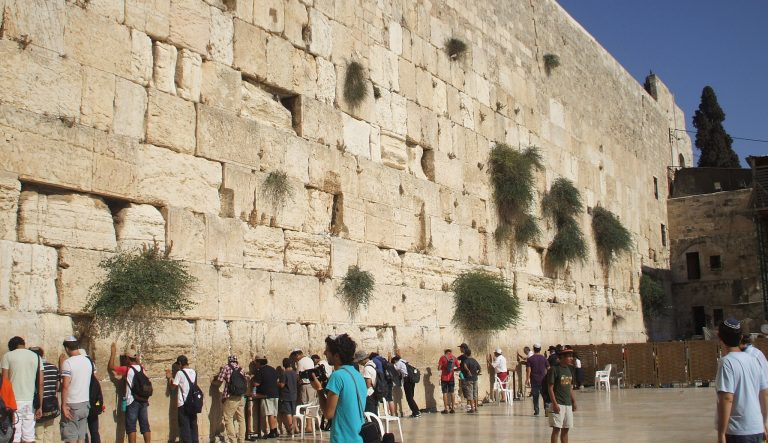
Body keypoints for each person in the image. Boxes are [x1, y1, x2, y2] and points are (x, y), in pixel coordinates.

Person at [716, 319, 768, 443]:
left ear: (720, 337)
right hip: (757, 428)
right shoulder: (753, 360)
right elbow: (764, 393)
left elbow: (727, 398)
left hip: (737, 431)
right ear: (740, 337)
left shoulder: (726, 362)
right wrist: (765, 422)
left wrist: (721, 433)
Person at [309, 334, 367, 443]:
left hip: (343, 438)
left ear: (336, 355)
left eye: (327, 351)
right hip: (359, 437)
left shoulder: (337, 376)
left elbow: (328, 414)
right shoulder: (358, 375)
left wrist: (319, 389)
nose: (324, 353)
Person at [1, 336, 43, 443]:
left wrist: (4, 406)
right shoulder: (37, 357)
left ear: (12, 347)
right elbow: (41, 383)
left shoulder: (7, 356)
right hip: (30, 402)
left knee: (14, 435)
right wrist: (40, 406)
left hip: (13, 402)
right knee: (29, 437)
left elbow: (4, 382)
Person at [108, 343, 151, 443]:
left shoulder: (126, 369)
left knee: (131, 426)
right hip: (144, 400)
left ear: (127, 358)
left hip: (132, 401)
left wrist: (113, 352)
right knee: (145, 425)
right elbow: (137, 360)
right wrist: (134, 349)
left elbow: (111, 367)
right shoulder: (142, 368)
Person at [60, 338, 93, 443]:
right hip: (85, 403)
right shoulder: (88, 361)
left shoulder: (68, 363)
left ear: (67, 348)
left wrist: (64, 405)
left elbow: (65, 385)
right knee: (81, 437)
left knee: (71, 437)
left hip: (72, 404)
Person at [213, 355, 247, 443]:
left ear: (229, 361)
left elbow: (219, 381)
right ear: (236, 361)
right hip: (241, 396)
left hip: (231, 396)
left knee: (228, 418)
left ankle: (233, 440)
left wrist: (213, 382)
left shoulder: (226, 368)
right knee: (241, 419)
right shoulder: (241, 369)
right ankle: (241, 440)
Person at [547, 346, 577, 443]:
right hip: (558, 403)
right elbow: (550, 388)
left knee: (566, 429)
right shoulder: (554, 369)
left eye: (571, 356)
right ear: (562, 357)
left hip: (567, 404)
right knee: (556, 429)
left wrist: (574, 401)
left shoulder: (569, 370)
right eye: (569, 356)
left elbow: (570, 387)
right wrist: (554, 403)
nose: (571, 358)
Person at [166, 355, 199, 443]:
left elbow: (173, 386)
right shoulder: (194, 372)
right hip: (193, 402)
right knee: (193, 425)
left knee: (185, 426)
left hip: (183, 404)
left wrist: (169, 378)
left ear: (180, 363)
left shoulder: (180, 373)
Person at [252, 357, 279, 438]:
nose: (255, 365)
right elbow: (277, 380)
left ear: (259, 363)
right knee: (274, 413)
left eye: (256, 363)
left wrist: (251, 380)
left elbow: (256, 384)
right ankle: (275, 430)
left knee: (270, 413)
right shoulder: (272, 369)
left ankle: (272, 432)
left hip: (267, 395)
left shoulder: (260, 371)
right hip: (275, 393)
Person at [29, 347, 58, 422]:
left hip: (38, 404)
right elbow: (57, 387)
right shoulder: (53, 367)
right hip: (52, 404)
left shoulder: (33, 368)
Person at [293, 350, 316, 432]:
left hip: (305, 385)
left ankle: (308, 426)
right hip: (312, 384)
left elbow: (297, 376)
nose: (295, 360)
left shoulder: (300, 362)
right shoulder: (310, 360)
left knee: (304, 404)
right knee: (310, 404)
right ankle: (310, 426)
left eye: (294, 358)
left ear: (297, 355)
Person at [526, 344, 549, 416]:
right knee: (545, 396)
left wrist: (527, 379)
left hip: (534, 380)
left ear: (533, 349)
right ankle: (546, 409)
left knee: (535, 397)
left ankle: (536, 411)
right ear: (540, 349)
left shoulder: (530, 359)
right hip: (543, 380)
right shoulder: (544, 358)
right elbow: (548, 368)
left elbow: (528, 370)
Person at [277, 358, 297, 436]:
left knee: (288, 412)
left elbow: (282, 385)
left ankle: (290, 428)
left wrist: (277, 383)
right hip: (294, 395)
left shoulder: (284, 374)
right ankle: (296, 428)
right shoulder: (294, 373)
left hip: (286, 395)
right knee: (294, 412)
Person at [460, 349, 481, 413]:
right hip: (475, 378)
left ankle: (472, 408)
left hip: (469, 379)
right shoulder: (474, 360)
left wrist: (468, 371)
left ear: (466, 354)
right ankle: (476, 407)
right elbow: (480, 368)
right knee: (475, 393)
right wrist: (477, 373)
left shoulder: (466, 360)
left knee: (470, 393)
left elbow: (465, 366)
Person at [437, 349, 457, 414]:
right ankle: (453, 408)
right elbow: (459, 367)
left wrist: (443, 367)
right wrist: (453, 370)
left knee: (444, 393)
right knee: (452, 392)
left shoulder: (442, 357)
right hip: (451, 378)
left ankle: (446, 409)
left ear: (445, 352)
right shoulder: (454, 358)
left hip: (444, 378)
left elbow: (439, 368)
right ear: (451, 352)